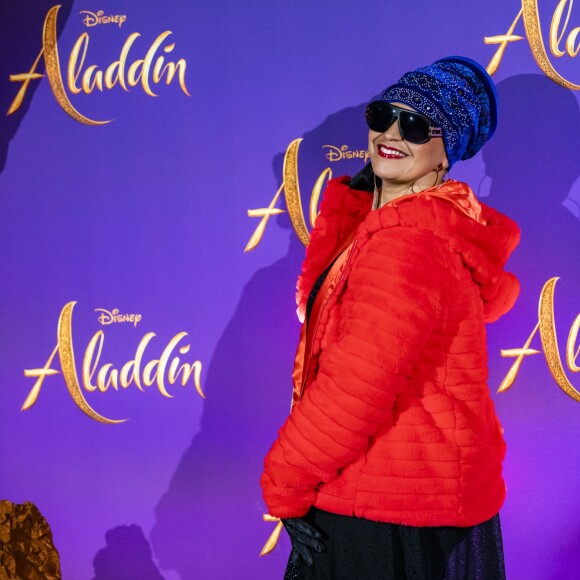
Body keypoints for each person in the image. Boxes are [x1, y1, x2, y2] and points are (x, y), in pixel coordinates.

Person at [260, 56, 520, 579]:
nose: (392, 133)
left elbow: (353, 390)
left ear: (448, 152)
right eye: (384, 114)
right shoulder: (406, 230)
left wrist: (284, 480)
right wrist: (354, 207)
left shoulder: (406, 245)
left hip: (382, 511)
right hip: (414, 503)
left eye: (418, 124)